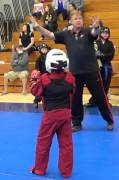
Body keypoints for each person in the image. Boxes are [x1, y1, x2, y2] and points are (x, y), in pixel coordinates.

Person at [31, 11, 114, 132]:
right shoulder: (66, 34)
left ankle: (109, 120)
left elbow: (94, 33)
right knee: (75, 99)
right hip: (75, 73)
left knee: (100, 97)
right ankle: (77, 122)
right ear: (70, 21)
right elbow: (50, 34)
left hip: (92, 71)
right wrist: (38, 27)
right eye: (75, 18)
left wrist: (96, 27)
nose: (78, 20)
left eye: (80, 18)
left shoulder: (87, 31)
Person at [30, 49, 75, 178]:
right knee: (66, 144)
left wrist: (34, 79)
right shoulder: (70, 78)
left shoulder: (44, 79)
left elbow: (35, 92)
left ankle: (40, 169)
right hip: (66, 114)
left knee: (43, 143)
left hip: (50, 116)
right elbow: (74, 91)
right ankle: (66, 172)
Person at [85, 27, 115, 107]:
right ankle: (93, 101)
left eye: (107, 33)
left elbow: (111, 56)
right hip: (97, 66)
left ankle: (104, 102)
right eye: (103, 32)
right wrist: (95, 55)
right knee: (96, 85)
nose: (105, 34)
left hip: (106, 67)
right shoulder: (95, 42)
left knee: (106, 84)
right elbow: (91, 53)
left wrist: (102, 55)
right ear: (100, 33)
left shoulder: (110, 44)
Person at [33, 43, 50, 108]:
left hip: (50, 76)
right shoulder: (39, 58)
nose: (44, 50)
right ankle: (36, 101)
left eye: (45, 49)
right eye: (42, 49)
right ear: (40, 50)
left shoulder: (50, 57)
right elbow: (37, 68)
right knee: (40, 90)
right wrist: (38, 75)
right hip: (42, 76)